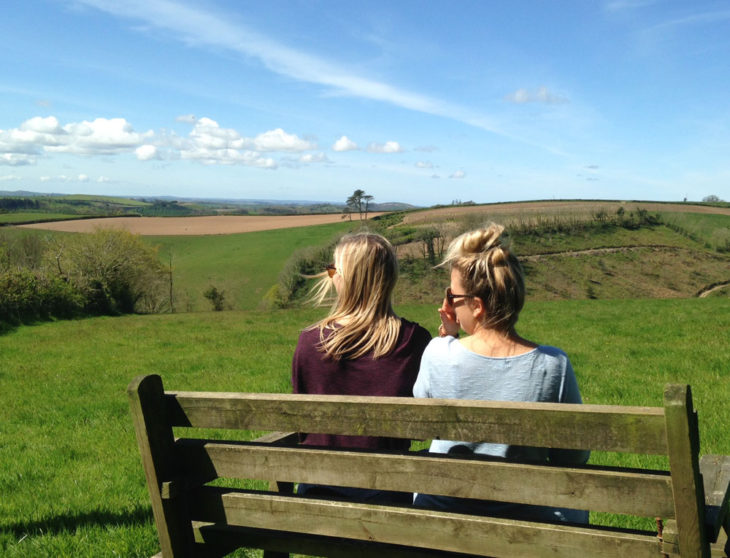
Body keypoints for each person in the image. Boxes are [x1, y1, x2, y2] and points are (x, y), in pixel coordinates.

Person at [412, 223, 589, 523]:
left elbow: (424, 426)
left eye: (453, 296)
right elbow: (573, 457)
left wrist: (448, 337)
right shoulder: (553, 365)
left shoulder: (437, 353)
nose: (450, 305)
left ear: (477, 306)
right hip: (527, 521)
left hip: (443, 516)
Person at [292, 232, 431, 504]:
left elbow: (303, 426)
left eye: (333, 269)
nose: (331, 276)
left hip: (317, 496)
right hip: (386, 497)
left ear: (345, 279)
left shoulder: (310, 342)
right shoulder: (414, 341)